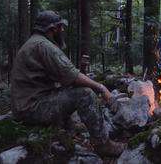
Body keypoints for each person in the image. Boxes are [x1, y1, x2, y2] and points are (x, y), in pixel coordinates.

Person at [10, 10, 125, 157]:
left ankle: (69, 128)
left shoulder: (34, 42)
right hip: (32, 108)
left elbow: (65, 77)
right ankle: (102, 144)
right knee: (85, 94)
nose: (62, 30)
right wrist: (102, 88)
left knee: (70, 89)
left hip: (26, 105)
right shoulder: (44, 46)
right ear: (52, 29)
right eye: (60, 27)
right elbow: (72, 75)